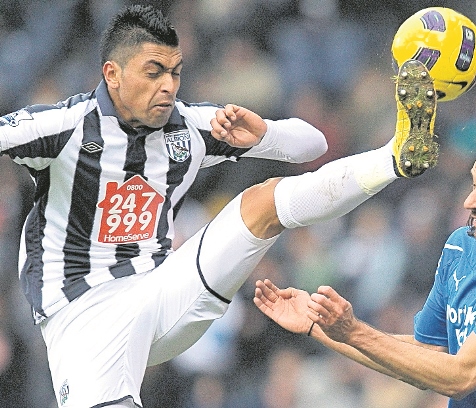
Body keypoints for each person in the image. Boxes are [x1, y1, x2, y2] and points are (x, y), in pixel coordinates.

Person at [0, 4, 437, 408]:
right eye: (153, 72)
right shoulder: (62, 126)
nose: (168, 86)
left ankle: (395, 156)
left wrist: (266, 133)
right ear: (112, 74)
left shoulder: (189, 128)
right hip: (84, 317)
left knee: (263, 203)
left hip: (160, 290)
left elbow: (314, 145)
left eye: (174, 71)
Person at [254, 131, 476, 407]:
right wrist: (321, 328)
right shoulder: (461, 245)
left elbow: (462, 375)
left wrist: (353, 331)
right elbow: (430, 357)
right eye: (473, 183)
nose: (469, 201)